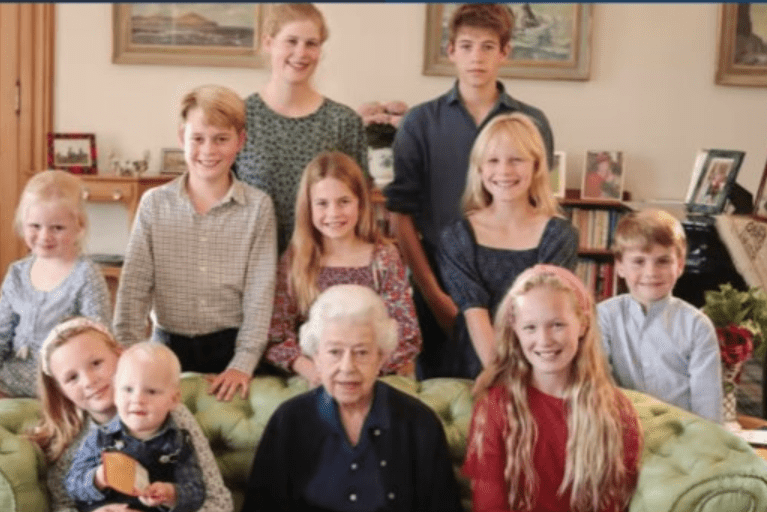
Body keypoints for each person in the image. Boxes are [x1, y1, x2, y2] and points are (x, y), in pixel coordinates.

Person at [383, 3, 554, 379]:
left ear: (505, 52)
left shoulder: (531, 122)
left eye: (488, 47)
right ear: (451, 51)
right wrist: (434, 296)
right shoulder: (420, 122)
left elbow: (540, 205)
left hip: (512, 277)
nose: (476, 57)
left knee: (513, 387)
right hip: (436, 278)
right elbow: (400, 214)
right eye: (466, 46)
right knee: (440, 396)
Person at [113, 85, 277, 402]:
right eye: (198, 138)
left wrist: (242, 364)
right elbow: (134, 287)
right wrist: (129, 358)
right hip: (165, 348)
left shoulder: (258, 208)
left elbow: (260, 293)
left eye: (221, 139)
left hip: (229, 349)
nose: (208, 150)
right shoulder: (154, 204)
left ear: (240, 142)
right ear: (181, 138)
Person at [243, 285, 462, 512]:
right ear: (316, 356)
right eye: (335, 352)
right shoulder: (288, 422)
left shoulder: (419, 423)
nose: (347, 368)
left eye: (361, 352)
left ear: (381, 358)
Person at [0, 170, 110, 434]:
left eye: (57, 228)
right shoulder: (17, 274)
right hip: (12, 373)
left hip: (59, 381)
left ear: (79, 227)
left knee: (26, 429)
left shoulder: (86, 276)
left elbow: (99, 338)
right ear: (22, 224)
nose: (44, 236)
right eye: (35, 226)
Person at [465, 265, 642, 512]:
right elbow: (489, 503)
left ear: (582, 325)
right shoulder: (496, 406)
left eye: (557, 324)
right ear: (515, 331)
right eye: (530, 327)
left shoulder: (615, 409)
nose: (545, 340)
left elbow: (616, 502)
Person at [28, 317, 233, 512]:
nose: (89, 381)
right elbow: (62, 504)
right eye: (72, 377)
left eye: (97, 363)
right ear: (60, 389)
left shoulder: (170, 415)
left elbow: (218, 502)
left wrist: (171, 495)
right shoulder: (72, 442)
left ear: (120, 356)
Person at [437, 112, 577, 378]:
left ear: (536, 166)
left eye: (516, 160)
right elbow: (474, 312)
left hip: (542, 363)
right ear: (479, 169)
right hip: (474, 366)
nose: (504, 171)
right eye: (493, 160)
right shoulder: (457, 237)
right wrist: (500, 377)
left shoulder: (559, 235)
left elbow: (546, 314)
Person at [264, 151, 421, 384]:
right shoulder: (296, 260)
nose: (333, 213)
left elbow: (407, 335)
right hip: (314, 377)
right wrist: (311, 369)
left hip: (374, 378)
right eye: (322, 204)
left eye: (344, 201)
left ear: (360, 202)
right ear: (308, 207)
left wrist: (362, 371)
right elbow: (276, 336)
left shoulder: (383, 258)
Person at [234, 3, 368, 253]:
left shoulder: (344, 122)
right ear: (268, 43)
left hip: (324, 269)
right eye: (291, 41)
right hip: (252, 267)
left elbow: (360, 208)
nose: (301, 52)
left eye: (311, 44)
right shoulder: (239, 117)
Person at [598, 209, 723, 423]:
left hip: (683, 436)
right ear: (619, 266)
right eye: (639, 261)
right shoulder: (603, 317)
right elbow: (599, 386)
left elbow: (708, 407)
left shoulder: (697, 326)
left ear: (680, 265)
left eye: (663, 261)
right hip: (622, 432)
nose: (651, 272)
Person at [66, 342, 204, 512]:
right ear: (116, 393)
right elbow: (72, 485)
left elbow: (196, 491)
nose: (137, 399)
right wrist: (99, 477)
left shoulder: (178, 442)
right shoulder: (100, 438)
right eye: (128, 389)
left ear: (173, 399)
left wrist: (170, 493)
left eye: (151, 391)